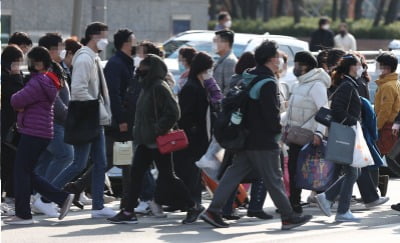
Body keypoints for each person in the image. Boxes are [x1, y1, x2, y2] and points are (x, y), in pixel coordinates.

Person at [200, 40, 313, 230]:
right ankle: (288, 216)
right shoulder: (268, 82)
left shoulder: (249, 76)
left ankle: (213, 210)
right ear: (270, 59)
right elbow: (270, 115)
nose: (280, 60)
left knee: (233, 174)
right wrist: (278, 135)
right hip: (263, 140)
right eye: (278, 56)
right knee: (273, 178)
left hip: (245, 137)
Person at [107, 54, 205, 224]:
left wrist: (157, 129)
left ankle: (193, 206)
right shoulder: (146, 87)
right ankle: (129, 211)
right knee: (136, 175)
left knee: (168, 177)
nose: (140, 70)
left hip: (158, 141)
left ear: (153, 70)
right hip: (146, 142)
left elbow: (174, 112)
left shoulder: (159, 87)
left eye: (144, 68)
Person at [51, 22, 115, 218]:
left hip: (94, 117)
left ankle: (97, 206)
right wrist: (95, 109)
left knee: (100, 162)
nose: (106, 40)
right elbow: (79, 90)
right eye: (104, 35)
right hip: (89, 117)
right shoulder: (85, 59)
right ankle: (45, 195)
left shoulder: (92, 57)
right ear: (95, 36)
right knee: (79, 163)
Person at [3, 46, 74, 225]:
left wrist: (15, 81)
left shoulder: (37, 82)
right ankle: (59, 199)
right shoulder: (46, 81)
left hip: (33, 131)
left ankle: (25, 214)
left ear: (38, 63)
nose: (27, 64)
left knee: (21, 171)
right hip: (41, 132)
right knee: (26, 171)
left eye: (30, 60)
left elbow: (15, 100)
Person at [104, 28, 156, 213]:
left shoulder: (127, 63)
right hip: (123, 121)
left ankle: (130, 200)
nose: (136, 44)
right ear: (126, 43)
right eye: (133, 41)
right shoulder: (116, 64)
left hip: (132, 120)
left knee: (128, 160)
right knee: (128, 159)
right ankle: (140, 199)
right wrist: (121, 119)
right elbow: (114, 95)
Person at [315, 53, 363, 222]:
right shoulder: (347, 86)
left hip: (347, 132)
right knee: (353, 171)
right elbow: (337, 110)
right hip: (346, 133)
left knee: (354, 171)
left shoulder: (349, 84)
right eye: (358, 65)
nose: (360, 68)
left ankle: (327, 198)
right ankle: (342, 211)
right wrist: (352, 123)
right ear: (351, 67)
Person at [30, 33, 74, 217]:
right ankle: (43, 196)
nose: (62, 51)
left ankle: (34, 197)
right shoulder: (47, 72)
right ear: (49, 51)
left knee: (46, 160)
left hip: (53, 122)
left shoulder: (56, 68)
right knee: (66, 155)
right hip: (52, 122)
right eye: (58, 47)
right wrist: (69, 116)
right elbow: (54, 102)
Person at [283, 51, 331, 213]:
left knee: (305, 170)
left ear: (306, 66)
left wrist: (319, 133)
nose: (294, 68)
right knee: (293, 168)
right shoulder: (299, 84)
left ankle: (301, 202)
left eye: (297, 64)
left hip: (308, 135)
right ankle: (294, 202)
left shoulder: (316, 85)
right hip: (295, 134)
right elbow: (291, 110)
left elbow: (323, 111)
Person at [174, 52, 213, 208]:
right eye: (209, 70)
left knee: (194, 173)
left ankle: (193, 203)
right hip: (192, 138)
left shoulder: (198, 85)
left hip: (197, 136)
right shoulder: (192, 87)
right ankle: (192, 204)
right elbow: (185, 114)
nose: (210, 73)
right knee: (191, 173)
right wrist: (194, 130)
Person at [1, 45, 25, 216]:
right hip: (5, 127)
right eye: (16, 62)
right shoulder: (6, 79)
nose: (19, 66)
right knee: (6, 164)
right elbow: (15, 98)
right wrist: (16, 78)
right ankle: (6, 198)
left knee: (11, 163)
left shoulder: (16, 77)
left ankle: (9, 197)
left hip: (14, 128)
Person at [374, 53, 400, 144]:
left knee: (380, 154)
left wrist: (376, 127)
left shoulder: (387, 86)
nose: (376, 68)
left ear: (387, 68)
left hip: (386, 127)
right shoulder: (395, 82)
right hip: (391, 126)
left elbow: (385, 110)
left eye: (378, 65)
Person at [213, 30, 238, 95]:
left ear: (226, 43)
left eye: (216, 41)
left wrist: (220, 104)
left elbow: (228, 88)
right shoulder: (222, 60)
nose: (213, 44)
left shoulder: (230, 61)